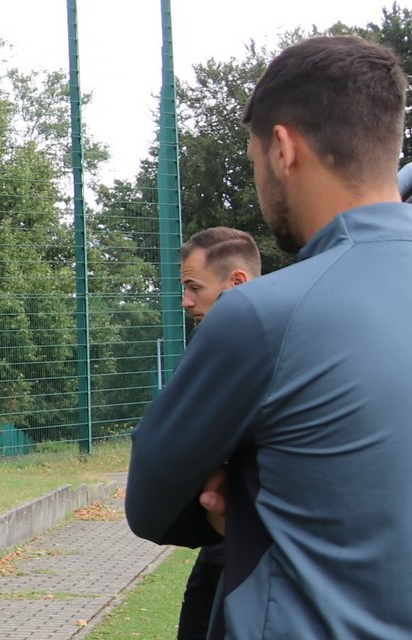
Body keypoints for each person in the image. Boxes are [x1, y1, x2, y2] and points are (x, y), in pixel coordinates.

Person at [123, 35, 412, 638]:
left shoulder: (262, 313)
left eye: (254, 161)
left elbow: (152, 501)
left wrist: (256, 502)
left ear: (282, 148)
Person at [172, 227, 262, 640]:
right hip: (222, 538)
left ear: (236, 282)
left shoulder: (280, 343)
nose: (186, 300)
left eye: (194, 287)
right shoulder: (211, 347)